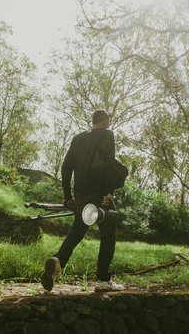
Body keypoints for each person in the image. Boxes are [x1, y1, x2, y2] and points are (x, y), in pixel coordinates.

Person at [40, 109, 124, 292]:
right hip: (101, 195)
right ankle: (102, 280)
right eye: (108, 122)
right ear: (104, 121)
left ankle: (58, 261)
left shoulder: (78, 138)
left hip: (81, 196)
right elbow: (109, 164)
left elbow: (65, 167)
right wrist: (110, 192)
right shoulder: (107, 135)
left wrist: (68, 196)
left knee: (78, 230)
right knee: (108, 235)